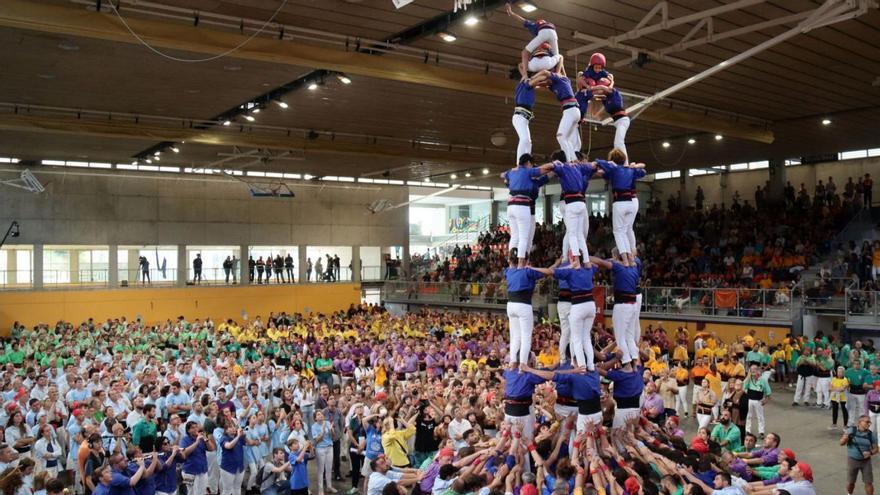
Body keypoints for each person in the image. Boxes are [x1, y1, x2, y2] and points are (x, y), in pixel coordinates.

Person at [533, 255, 597, 370]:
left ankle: (566, 360)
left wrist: (533, 268)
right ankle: (579, 362)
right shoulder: (584, 269)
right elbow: (597, 265)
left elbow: (551, 271)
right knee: (578, 336)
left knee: (568, 334)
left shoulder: (566, 268)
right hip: (577, 303)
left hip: (567, 303)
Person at [595, 152, 646, 266]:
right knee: (627, 230)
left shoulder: (613, 169)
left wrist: (608, 163)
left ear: (612, 160)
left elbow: (599, 161)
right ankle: (631, 258)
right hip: (630, 202)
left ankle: (626, 259)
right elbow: (643, 171)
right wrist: (634, 166)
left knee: (618, 232)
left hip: (619, 203)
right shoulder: (630, 170)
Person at [579, 53, 631, 161]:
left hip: (623, 120)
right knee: (617, 142)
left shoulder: (612, 92)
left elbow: (604, 86)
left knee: (618, 142)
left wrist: (590, 87)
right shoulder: (605, 98)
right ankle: (623, 162)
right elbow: (583, 80)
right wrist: (586, 88)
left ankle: (625, 163)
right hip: (617, 121)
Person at [591, 252, 640, 365]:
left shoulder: (618, 267)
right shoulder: (634, 267)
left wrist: (584, 256)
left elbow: (599, 261)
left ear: (616, 257)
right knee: (629, 336)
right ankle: (635, 364)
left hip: (622, 305)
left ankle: (626, 363)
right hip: (633, 305)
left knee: (620, 337)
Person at [502, 153, 545, 268]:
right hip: (524, 208)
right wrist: (555, 166)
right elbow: (543, 173)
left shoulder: (515, 174)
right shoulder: (528, 175)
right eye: (532, 167)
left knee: (516, 236)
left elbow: (503, 176)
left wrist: (509, 173)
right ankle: (521, 264)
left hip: (512, 206)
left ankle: (512, 263)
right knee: (524, 238)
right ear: (529, 164)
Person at [503, 254, 545, 366]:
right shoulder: (528, 272)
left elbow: (511, 263)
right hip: (523, 305)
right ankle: (522, 364)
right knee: (526, 336)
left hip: (510, 305)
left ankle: (512, 362)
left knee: (515, 336)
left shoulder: (508, 271)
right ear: (526, 261)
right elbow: (549, 271)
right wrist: (531, 268)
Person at [506, 3, 560, 81]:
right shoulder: (547, 25)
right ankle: (557, 74)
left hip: (543, 32)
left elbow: (522, 19)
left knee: (524, 52)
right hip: (554, 33)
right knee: (557, 56)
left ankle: (525, 75)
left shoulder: (535, 25)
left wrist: (511, 13)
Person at [841, 415, 877, 495]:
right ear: (859, 422)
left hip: (866, 461)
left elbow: (876, 449)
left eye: (870, 422)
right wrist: (844, 439)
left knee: (869, 482)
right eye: (867, 422)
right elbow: (841, 443)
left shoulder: (871, 434)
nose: (869, 424)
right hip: (852, 460)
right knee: (851, 482)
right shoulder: (851, 430)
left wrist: (870, 453)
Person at [179, 421, 216, 495]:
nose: (196, 429)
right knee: (191, 492)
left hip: (202, 470)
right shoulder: (184, 440)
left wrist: (206, 439)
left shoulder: (202, 438)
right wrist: (196, 442)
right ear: (188, 430)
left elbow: (212, 449)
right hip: (189, 472)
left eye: (196, 427)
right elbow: (184, 453)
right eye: (193, 427)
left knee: (202, 492)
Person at [743, 364, 771, 438]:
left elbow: (768, 392)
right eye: (751, 369)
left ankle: (761, 432)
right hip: (749, 400)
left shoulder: (763, 380)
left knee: (760, 416)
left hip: (758, 401)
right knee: (748, 415)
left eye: (754, 369)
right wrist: (748, 376)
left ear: (758, 370)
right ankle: (747, 430)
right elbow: (743, 387)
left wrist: (766, 400)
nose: (753, 371)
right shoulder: (749, 379)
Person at [219, 421, 245, 495]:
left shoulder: (239, 437)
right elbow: (229, 446)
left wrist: (244, 434)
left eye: (234, 426)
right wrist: (238, 436)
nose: (233, 428)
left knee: (237, 488)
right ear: (226, 430)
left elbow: (249, 443)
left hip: (239, 467)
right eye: (230, 427)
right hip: (227, 468)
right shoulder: (224, 438)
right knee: (227, 490)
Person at [832, 366, 850, 430]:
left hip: (843, 398)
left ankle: (845, 425)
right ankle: (834, 424)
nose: (839, 373)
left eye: (841, 372)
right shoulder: (834, 379)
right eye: (838, 372)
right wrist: (837, 389)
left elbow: (843, 388)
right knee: (834, 410)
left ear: (843, 373)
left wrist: (835, 389)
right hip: (834, 397)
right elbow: (830, 387)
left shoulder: (845, 380)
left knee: (844, 411)